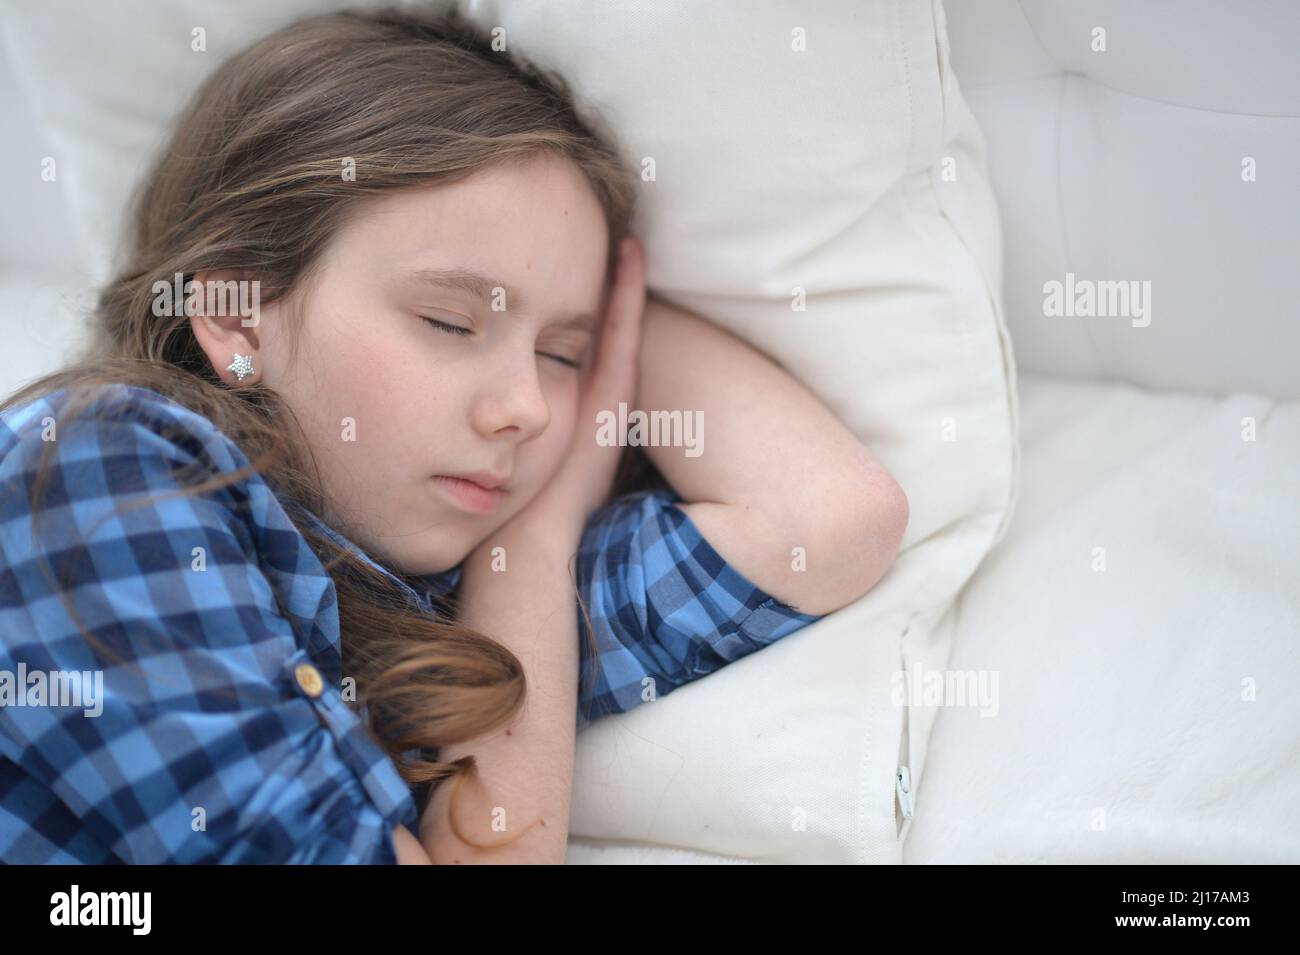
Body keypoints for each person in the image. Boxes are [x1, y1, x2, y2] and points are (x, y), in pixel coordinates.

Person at [0, 7, 907, 864]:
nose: (530, 408)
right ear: (239, 317)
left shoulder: (457, 599)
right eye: (449, 321)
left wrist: (537, 542)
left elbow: (831, 516)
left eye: (563, 354)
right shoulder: (94, 467)